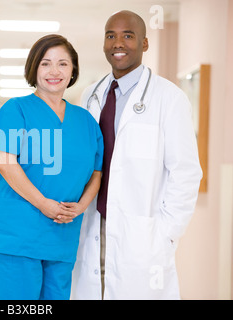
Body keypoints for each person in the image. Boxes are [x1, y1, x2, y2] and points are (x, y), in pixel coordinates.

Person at [70, 10, 202, 300]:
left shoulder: (169, 98)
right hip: (92, 224)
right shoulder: (90, 95)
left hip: (142, 233)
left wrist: (166, 232)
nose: (118, 43)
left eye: (128, 35)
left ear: (144, 44)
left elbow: (186, 171)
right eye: (111, 36)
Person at [0, 34, 103, 300]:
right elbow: (5, 162)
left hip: (62, 235)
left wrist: (82, 205)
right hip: (16, 236)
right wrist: (43, 204)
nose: (54, 71)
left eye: (63, 64)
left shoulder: (85, 121)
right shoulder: (16, 109)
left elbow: (97, 172)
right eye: (45, 63)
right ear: (34, 68)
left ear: (73, 71)